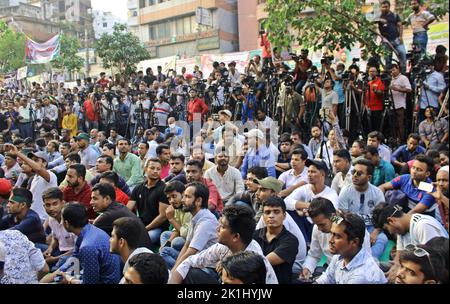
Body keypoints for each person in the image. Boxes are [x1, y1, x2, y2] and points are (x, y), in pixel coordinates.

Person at [170, 205, 278, 284]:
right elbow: (188, 262)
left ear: (236, 237)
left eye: (222, 226)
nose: (217, 229)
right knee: (190, 273)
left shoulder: (254, 261)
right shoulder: (222, 246)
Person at [371, 203, 448, 282]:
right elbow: (398, 256)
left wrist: (399, 275)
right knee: (374, 268)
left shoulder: (423, 226)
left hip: (428, 273)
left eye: (387, 229)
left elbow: (431, 263)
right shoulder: (402, 229)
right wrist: (395, 268)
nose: (390, 232)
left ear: (391, 221)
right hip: (411, 267)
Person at [300, 198, 371, 281]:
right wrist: (307, 269)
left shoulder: (354, 229)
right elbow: (314, 255)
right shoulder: (318, 227)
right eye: (316, 224)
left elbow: (364, 258)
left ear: (333, 217)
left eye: (322, 225)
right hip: (330, 269)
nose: (319, 229)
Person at [315, 211, 387, 284]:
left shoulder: (362, 275)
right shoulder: (338, 258)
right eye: (332, 234)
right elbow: (326, 279)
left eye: (337, 236)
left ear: (354, 242)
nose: (330, 240)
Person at [59, 203, 121, 284]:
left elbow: (90, 282)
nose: (61, 222)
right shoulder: (90, 230)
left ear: (66, 223)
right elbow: (75, 258)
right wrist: (60, 274)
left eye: (61, 219)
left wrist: (70, 280)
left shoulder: (87, 246)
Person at [338, 159, 388, 259]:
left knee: (383, 238)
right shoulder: (345, 191)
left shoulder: (377, 193)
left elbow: (382, 217)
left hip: (370, 227)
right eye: (353, 172)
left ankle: (370, 260)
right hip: (351, 227)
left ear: (369, 177)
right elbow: (342, 216)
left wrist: (375, 231)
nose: (355, 175)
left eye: (359, 173)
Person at [284, 160, 339, 243]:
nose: (309, 174)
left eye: (313, 172)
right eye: (308, 171)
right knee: (288, 212)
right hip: (305, 224)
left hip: (320, 225)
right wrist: (309, 206)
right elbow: (286, 202)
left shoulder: (331, 193)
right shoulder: (305, 188)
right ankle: (301, 242)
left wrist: (305, 211)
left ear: (323, 174)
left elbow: (333, 214)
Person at [169, 182, 218, 272]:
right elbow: (186, 245)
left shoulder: (206, 221)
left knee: (187, 272)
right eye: (183, 196)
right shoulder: (195, 216)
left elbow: (190, 251)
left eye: (187, 197)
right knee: (166, 251)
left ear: (198, 201)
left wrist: (175, 272)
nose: (182, 200)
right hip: (195, 258)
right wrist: (175, 268)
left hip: (208, 266)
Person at [4, 144, 58, 221]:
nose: (32, 162)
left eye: (36, 160)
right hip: (32, 216)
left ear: (44, 163)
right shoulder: (34, 178)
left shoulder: (50, 175)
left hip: (43, 218)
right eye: (32, 160)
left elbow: (39, 169)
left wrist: (18, 153)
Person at [253, 196, 299, 284]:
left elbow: (264, 263)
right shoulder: (254, 235)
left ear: (284, 215)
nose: (271, 216)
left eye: (276, 212)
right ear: (263, 216)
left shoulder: (291, 241)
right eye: (267, 212)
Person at [128, 158, 169, 245]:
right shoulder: (138, 188)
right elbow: (128, 209)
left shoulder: (164, 189)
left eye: (158, 169)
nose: (155, 171)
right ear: (145, 169)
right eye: (152, 168)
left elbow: (163, 216)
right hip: (141, 224)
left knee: (142, 240)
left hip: (158, 228)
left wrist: (146, 228)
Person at [110, 217, 154, 283]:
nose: (109, 240)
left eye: (112, 236)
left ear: (121, 242)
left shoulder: (137, 271)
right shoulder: (144, 252)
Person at [159, 182, 192, 269]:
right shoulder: (177, 207)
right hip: (183, 235)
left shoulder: (188, 208)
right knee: (165, 234)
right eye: (169, 198)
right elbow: (176, 229)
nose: (171, 201)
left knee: (176, 242)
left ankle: (178, 268)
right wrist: (167, 243)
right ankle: (167, 253)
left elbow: (185, 234)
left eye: (174, 196)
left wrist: (171, 219)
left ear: (183, 194)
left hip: (191, 240)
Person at [41, 188, 76, 269]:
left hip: (73, 255)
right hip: (60, 251)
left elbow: (77, 249)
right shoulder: (51, 219)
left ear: (62, 203)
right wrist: (50, 248)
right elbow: (55, 237)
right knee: (35, 248)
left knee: (54, 271)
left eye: (55, 204)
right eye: (48, 205)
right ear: (44, 206)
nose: (51, 208)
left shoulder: (72, 219)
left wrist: (54, 259)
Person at [376, 1, 407, 71]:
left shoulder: (395, 15)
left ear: (389, 7)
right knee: (387, 60)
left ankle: (404, 73)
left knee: (402, 54)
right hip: (385, 42)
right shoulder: (379, 16)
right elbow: (370, 20)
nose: (384, 8)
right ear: (381, 8)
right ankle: (389, 76)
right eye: (383, 7)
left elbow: (400, 26)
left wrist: (401, 37)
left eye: (386, 7)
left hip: (396, 40)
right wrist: (380, 19)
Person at [389, 63, 412, 143]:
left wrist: (397, 89)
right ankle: (394, 140)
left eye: (394, 70)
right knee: (392, 124)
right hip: (391, 105)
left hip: (399, 105)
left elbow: (409, 89)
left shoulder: (403, 78)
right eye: (391, 70)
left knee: (400, 124)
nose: (392, 72)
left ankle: (400, 140)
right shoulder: (390, 79)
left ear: (398, 69)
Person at [364, 67, 385, 132]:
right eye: (370, 71)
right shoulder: (368, 82)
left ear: (376, 72)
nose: (371, 73)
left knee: (376, 126)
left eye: (373, 71)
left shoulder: (380, 81)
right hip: (368, 108)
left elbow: (381, 93)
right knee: (368, 127)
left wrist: (375, 91)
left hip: (377, 108)